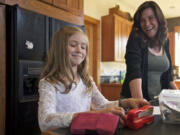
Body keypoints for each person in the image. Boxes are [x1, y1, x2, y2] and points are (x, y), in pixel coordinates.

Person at [38, 26, 149, 132]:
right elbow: (45, 121)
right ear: (59, 49)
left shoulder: (87, 81)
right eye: (73, 45)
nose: (79, 50)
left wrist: (125, 103)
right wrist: (89, 115)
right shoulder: (48, 83)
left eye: (83, 47)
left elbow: (102, 105)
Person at [121, 1, 178, 101]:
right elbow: (134, 72)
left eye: (151, 18)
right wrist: (141, 106)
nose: (147, 24)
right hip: (135, 101)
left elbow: (168, 75)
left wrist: (178, 97)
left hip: (157, 102)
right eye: (142, 20)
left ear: (159, 19)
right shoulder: (136, 37)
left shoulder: (165, 40)